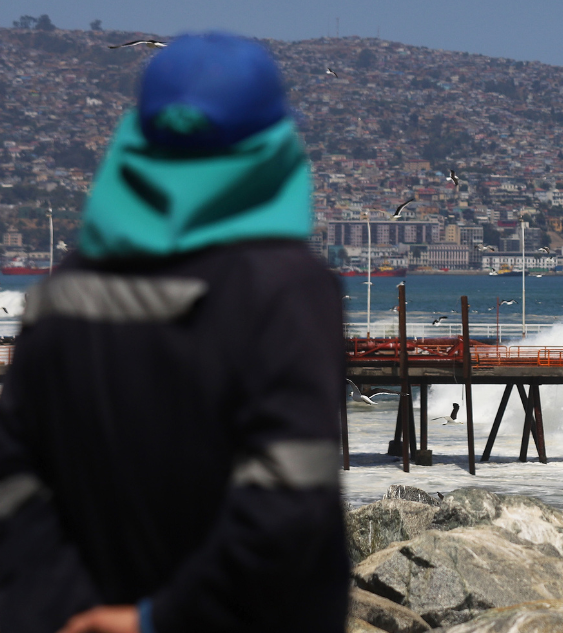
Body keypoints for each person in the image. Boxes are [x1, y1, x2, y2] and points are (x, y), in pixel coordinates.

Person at [0, 33, 348, 632]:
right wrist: (155, 619)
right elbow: (289, 502)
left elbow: (11, 478)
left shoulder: (59, 293)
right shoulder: (284, 290)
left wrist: (65, 608)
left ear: (137, 137)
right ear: (271, 144)